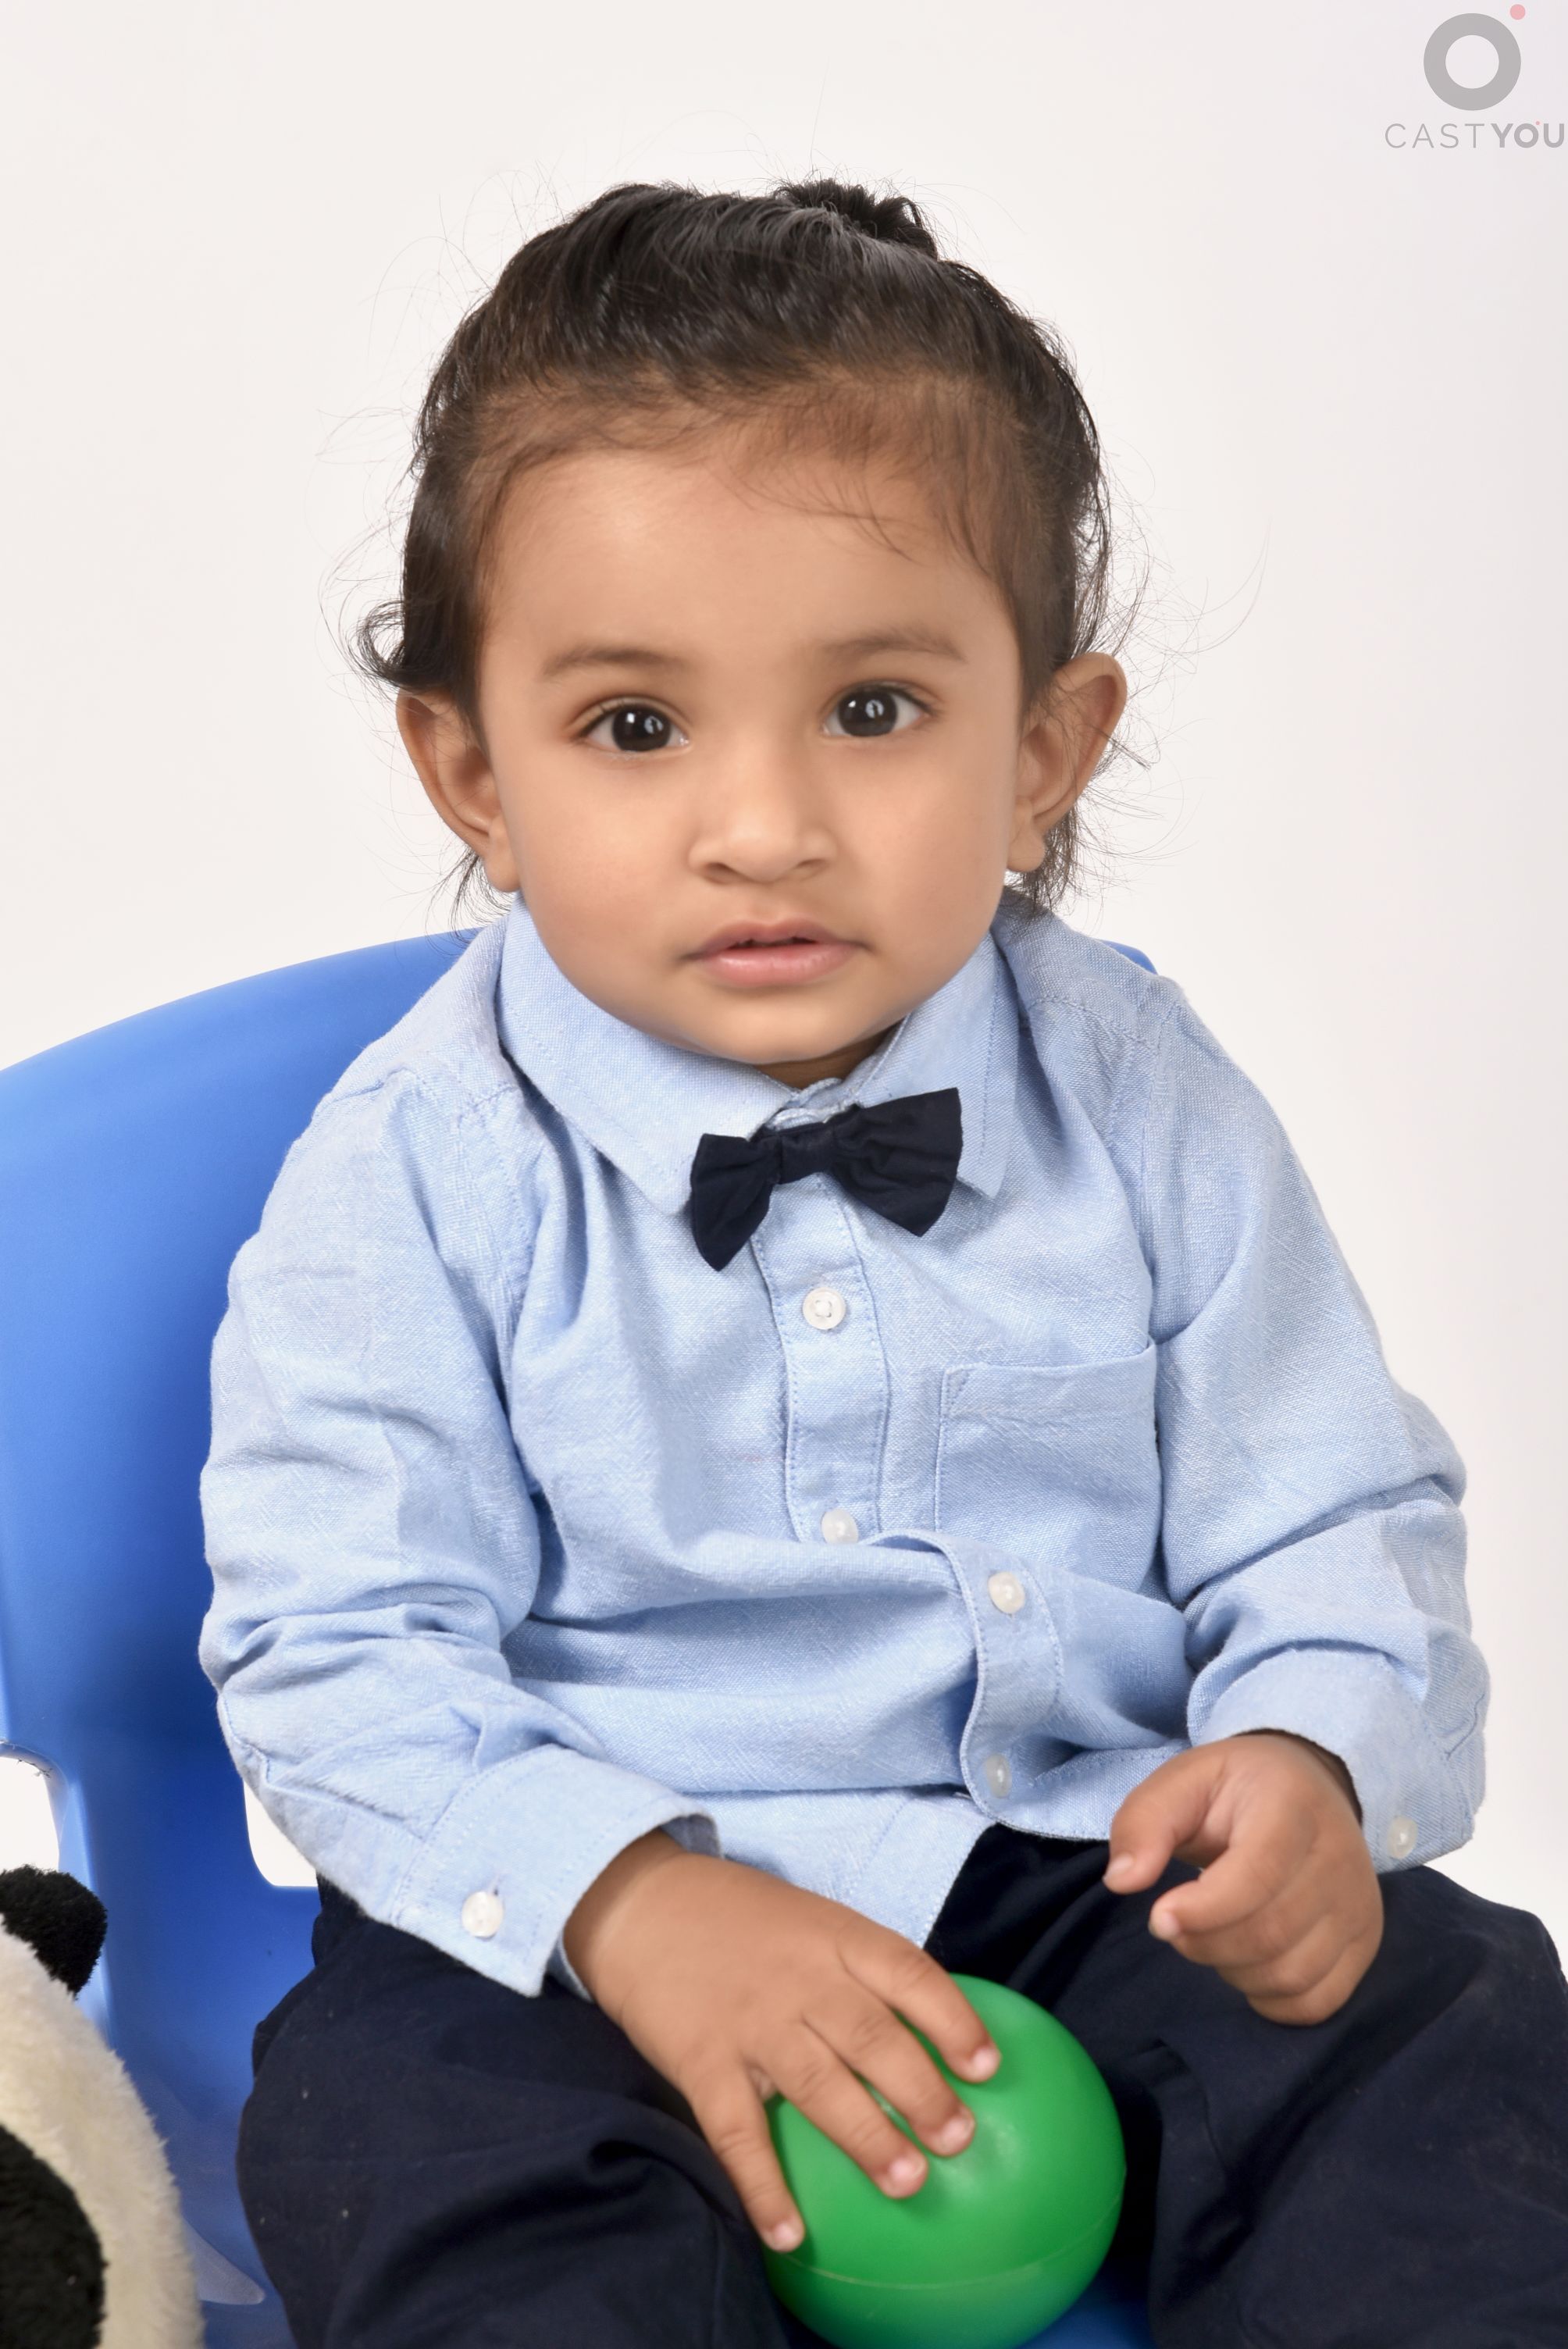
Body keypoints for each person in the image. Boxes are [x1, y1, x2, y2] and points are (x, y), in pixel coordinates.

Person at [198, 179, 1568, 2349]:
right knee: (400, 2118)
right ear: (472, 772)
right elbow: (335, 1648)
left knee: (1447, 2018)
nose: (764, 826)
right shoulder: (419, 1169)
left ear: (1042, 752)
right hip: (595, 1904)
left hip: (1090, 1865)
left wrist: (1309, 1757)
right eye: (634, 727)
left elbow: (1332, 1508)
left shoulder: (1136, 1088)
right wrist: (636, 1905)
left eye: (872, 710)